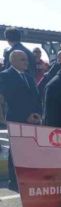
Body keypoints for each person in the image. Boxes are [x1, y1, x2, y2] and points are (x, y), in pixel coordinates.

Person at [0, 50, 42, 191]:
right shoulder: (5, 76)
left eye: (26, 59)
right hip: (17, 118)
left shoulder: (28, 77)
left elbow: (36, 97)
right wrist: (25, 115)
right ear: (13, 61)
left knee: (30, 149)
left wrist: (38, 113)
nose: (26, 62)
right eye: (22, 59)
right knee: (16, 151)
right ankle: (14, 182)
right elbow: (11, 99)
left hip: (34, 119)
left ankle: (28, 178)